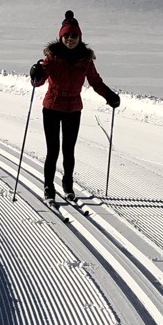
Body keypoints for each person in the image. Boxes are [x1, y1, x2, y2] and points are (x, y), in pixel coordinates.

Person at [29, 11, 120, 199]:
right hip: (52, 107)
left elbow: (95, 81)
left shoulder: (85, 59)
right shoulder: (52, 57)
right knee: (53, 150)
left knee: (68, 150)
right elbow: (40, 79)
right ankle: (48, 187)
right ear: (61, 36)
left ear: (79, 37)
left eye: (74, 36)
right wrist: (35, 74)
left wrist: (109, 95)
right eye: (67, 35)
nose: (70, 39)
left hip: (73, 109)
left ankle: (68, 185)